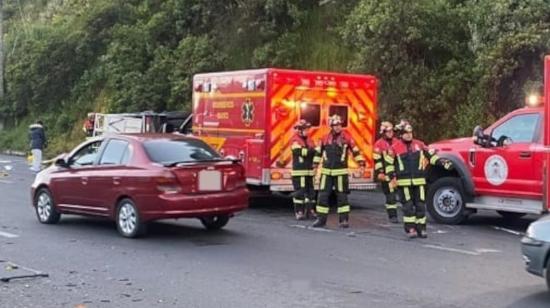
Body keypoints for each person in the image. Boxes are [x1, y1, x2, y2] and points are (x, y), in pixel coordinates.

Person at [386, 123, 452, 238]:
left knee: (420, 206)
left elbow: (431, 157)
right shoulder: (394, 147)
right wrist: (391, 177)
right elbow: (389, 164)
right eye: (406, 133)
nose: (409, 135)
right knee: (408, 207)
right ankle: (410, 229)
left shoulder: (419, 144)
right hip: (404, 182)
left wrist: (443, 162)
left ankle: (421, 229)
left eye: (410, 133)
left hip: (419, 181)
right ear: (401, 134)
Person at [312, 115, 365, 228]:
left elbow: (356, 151)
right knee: (322, 196)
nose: (338, 127)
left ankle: (344, 220)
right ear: (331, 126)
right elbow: (318, 153)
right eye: (335, 125)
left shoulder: (347, 138)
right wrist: (315, 166)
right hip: (326, 172)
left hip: (341, 172)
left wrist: (361, 164)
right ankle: (321, 220)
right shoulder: (325, 138)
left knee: (342, 197)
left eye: (339, 125)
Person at [290, 120, 316, 220]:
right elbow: (300, 152)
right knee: (300, 193)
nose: (307, 131)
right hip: (299, 172)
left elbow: (313, 151)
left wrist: (312, 151)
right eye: (305, 129)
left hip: (309, 171)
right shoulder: (295, 140)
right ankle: (299, 212)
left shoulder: (309, 139)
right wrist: (312, 151)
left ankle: (311, 211)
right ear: (300, 130)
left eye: (308, 129)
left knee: (311, 193)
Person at [373, 121, 399, 223]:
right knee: (390, 196)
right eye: (388, 131)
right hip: (387, 175)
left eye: (391, 131)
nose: (390, 133)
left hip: (398, 174)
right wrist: (380, 172)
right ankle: (393, 216)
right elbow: (377, 160)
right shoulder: (378, 144)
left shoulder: (397, 142)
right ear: (383, 132)